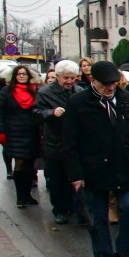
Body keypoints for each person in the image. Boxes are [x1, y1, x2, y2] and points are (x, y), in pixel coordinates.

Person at [62, 61, 129, 257]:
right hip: (94, 170)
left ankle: (126, 252)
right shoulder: (78, 103)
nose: (111, 88)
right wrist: (76, 175)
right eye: (106, 84)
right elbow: (70, 142)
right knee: (98, 217)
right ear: (93, 81)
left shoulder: (127, 100)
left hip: (125, 167)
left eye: (113, 83)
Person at [35, 60, 83, 223]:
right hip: (55, 143)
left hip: (76, 144)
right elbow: (36, 113)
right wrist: (51, 113)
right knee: (57, 180)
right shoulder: (45, 92)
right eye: (66, 78)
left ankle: (77, 209)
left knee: (76, 177)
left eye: (72, 78)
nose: (69, 81)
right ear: (58, 77)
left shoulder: (79, 91)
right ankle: (59, 210)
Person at [0, 65, 42, 207]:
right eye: (19, 74)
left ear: (29, 76)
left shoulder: (34, 91)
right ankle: (20, 197)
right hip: (13, 132)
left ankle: (27, 195)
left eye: (24, 74)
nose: (22, 76)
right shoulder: (6, 91)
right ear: (14, 76)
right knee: (20, 164)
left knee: (29, 165)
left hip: (32, 132)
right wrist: (1, 131)